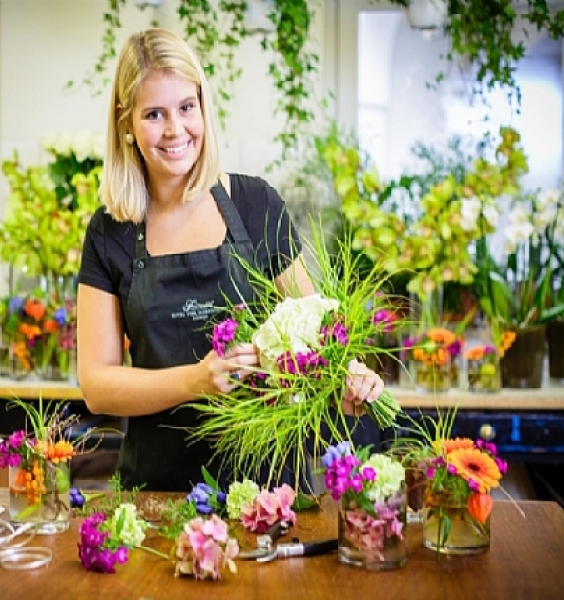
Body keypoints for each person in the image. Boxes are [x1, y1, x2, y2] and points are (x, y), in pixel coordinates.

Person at [77, 28, 384, 492]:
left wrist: (347, 376)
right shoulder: (110, 232)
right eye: (154, 114)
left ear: (203, 108)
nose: (175, 130)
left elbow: (320, 336)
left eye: (187, 107)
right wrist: (195, 381)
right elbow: (98, 386)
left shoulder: (254, 204)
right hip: (158, 494)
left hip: (269, 494)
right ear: (127, 125)